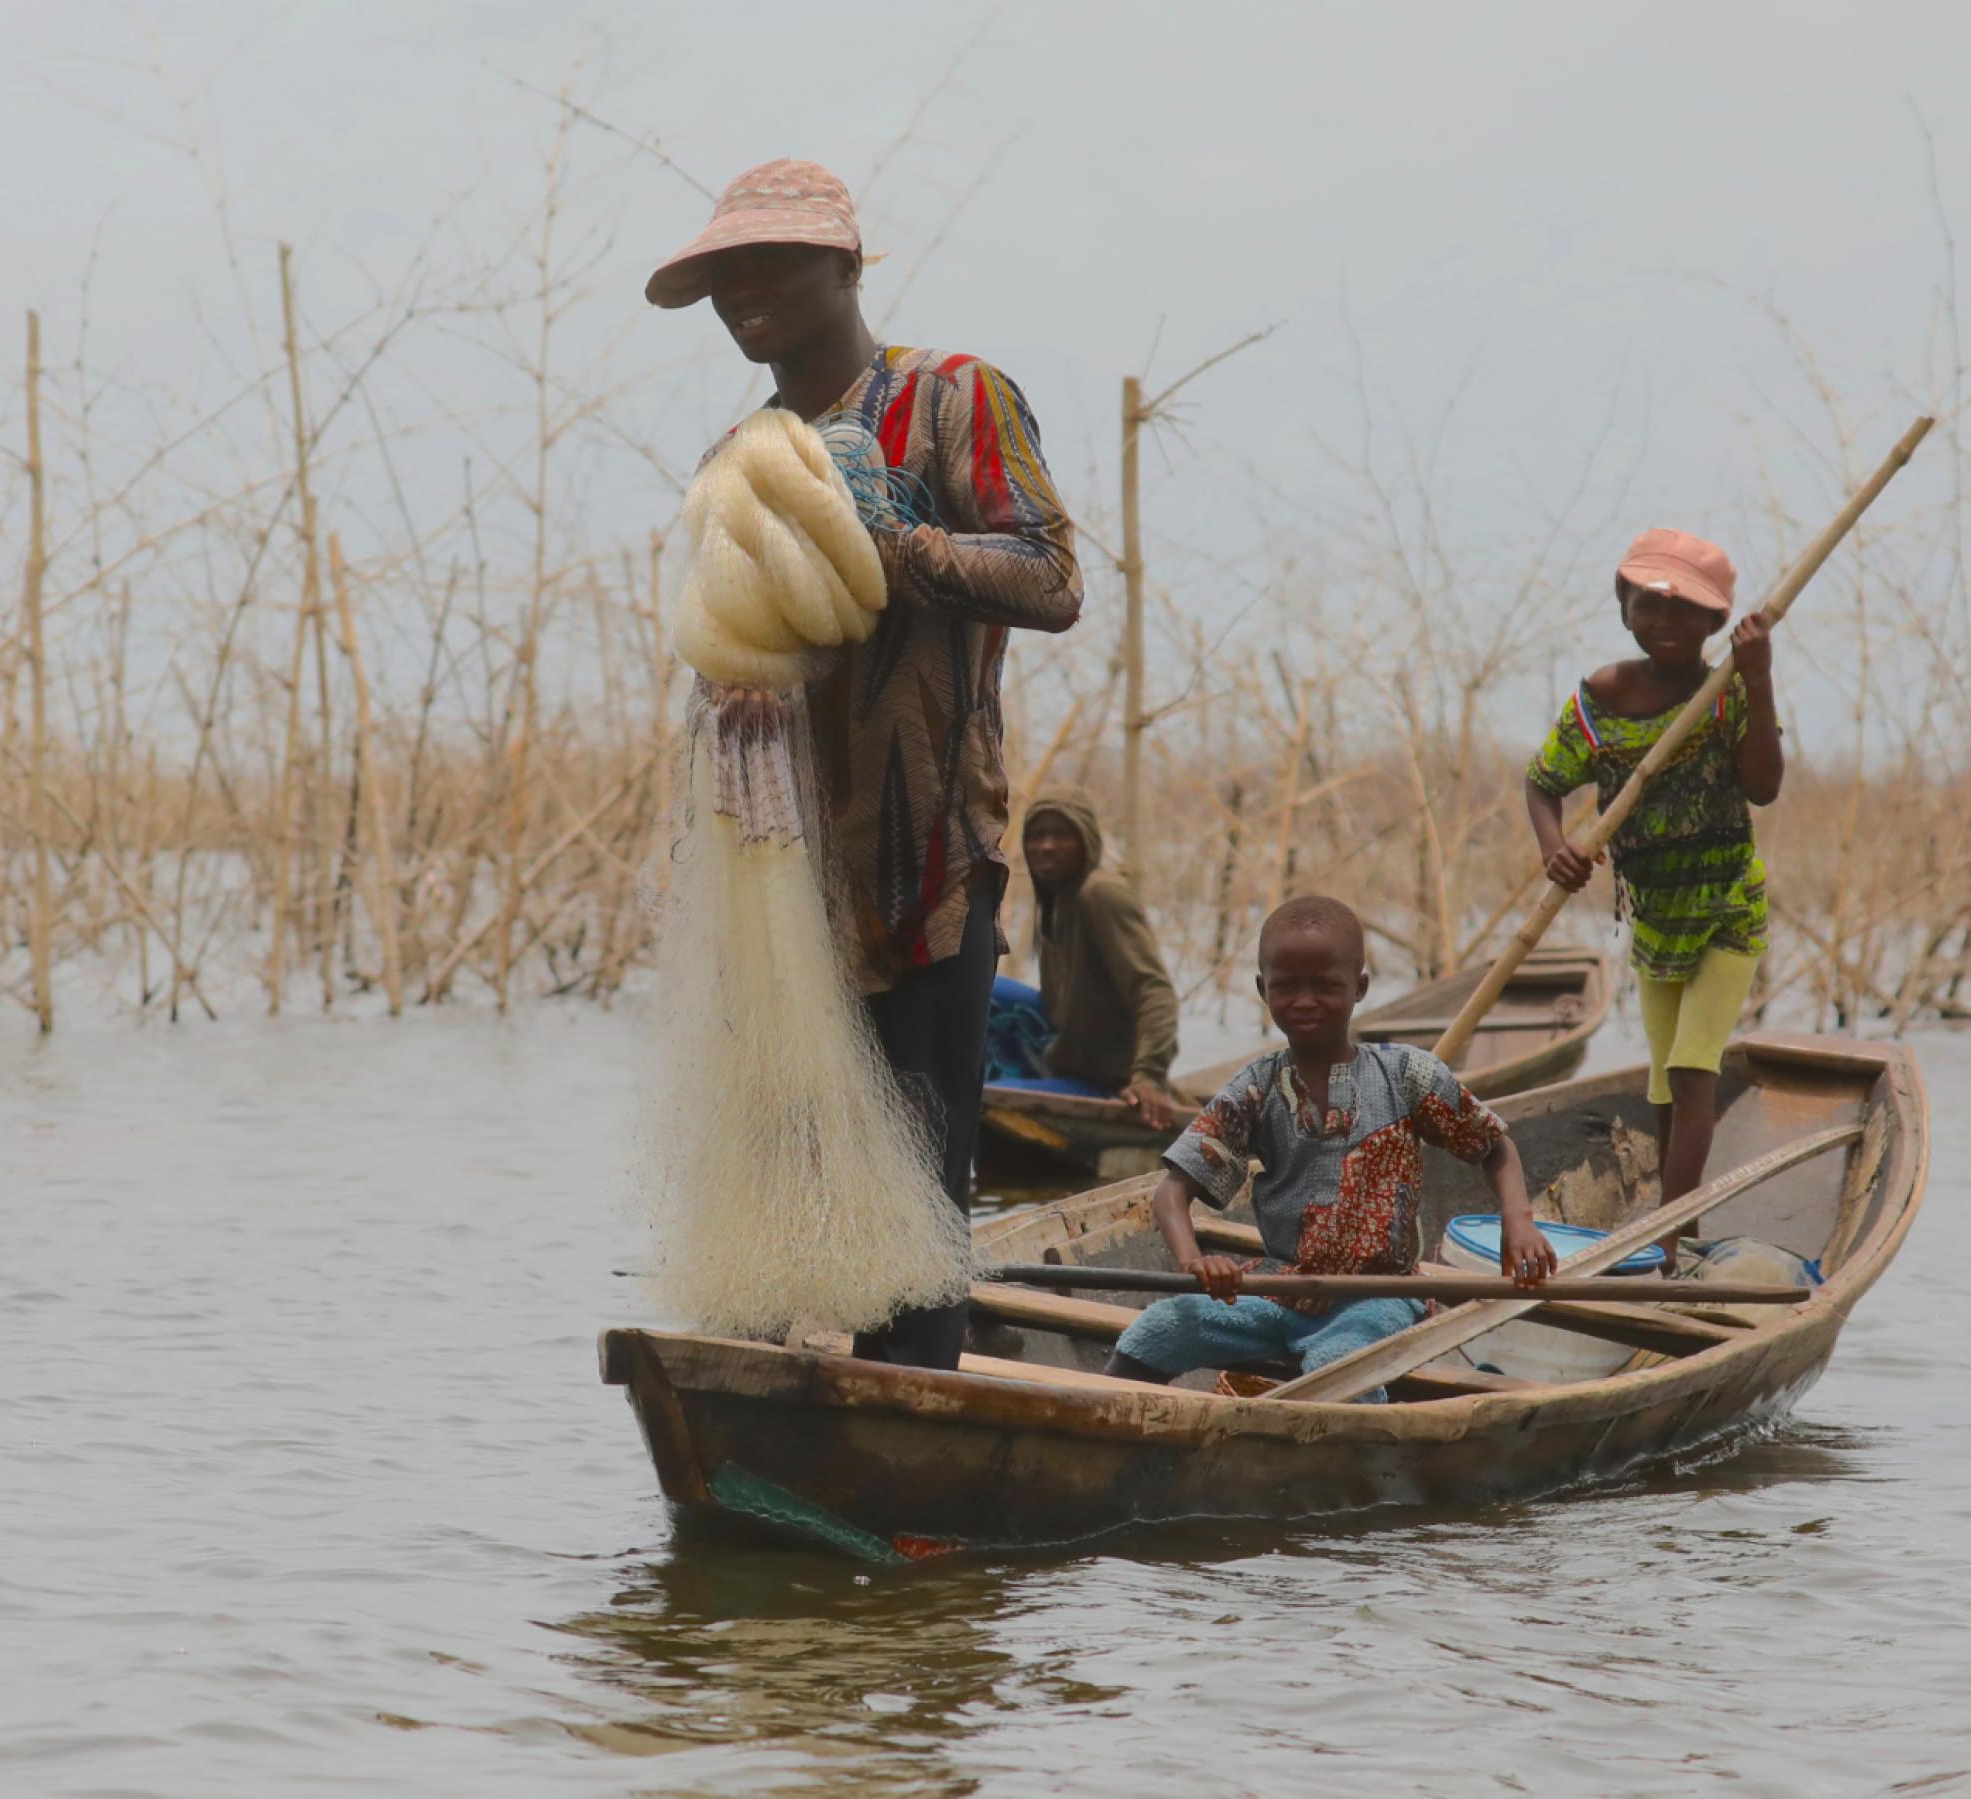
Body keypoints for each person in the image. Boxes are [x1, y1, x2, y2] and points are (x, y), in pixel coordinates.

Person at [649, 160, 1082, 1369]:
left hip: (927, 862)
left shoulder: (952, 400)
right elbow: (723, 644)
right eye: (723, 276)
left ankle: (920, 1457)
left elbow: (1051, 577)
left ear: (845, 267)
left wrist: (881, 542)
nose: (743, 294)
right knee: (780, 1172)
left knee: (917, 1181)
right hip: (778, 877)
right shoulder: (741, 454)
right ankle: (768, 1415)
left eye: (768, 265)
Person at [1104, 896, 1556, 1395]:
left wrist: (1518, 1220)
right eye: (1287, 987)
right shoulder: (1256, 1087)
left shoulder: (1407, 1075)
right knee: (1161, 1327)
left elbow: (1494, 1148)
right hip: (1277, 1289)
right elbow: (1172, 1192)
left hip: (1378, 1296)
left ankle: (1362, 1454)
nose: (1304, 1000)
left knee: (1338, 1366)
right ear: (1262, 990)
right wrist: (1195, 1262)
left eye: (1324, 986)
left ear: (1359, 988)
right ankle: (1109, 1425)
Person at [1523, 527, 1783, 1227]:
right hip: (1655, 918)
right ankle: (1683, 1225)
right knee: (1665, 1084)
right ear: (1625, 611)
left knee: (1696, 1070)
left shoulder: (1725, 692)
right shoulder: (1602, 697)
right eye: (1649, 607)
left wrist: (1757, 678)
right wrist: (1557, 848)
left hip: (1728, 907)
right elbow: (1543, 783)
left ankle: (1667, 1239)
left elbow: (1763, 786)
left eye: (1684, 612)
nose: (1664, 624)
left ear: (1715, 624)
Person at [985, 789, 1180, 1131]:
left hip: (1108, 1077)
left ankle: (1010, 1088)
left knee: (985, 1097)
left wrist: (1149, 1075)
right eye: (1036, 836)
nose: (1046, 846)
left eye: (1061, 836)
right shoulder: (1056, 899)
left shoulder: (1100, 894)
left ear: (1086, 842)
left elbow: (1155, 990)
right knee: (983, 989)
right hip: (1070, 1048)